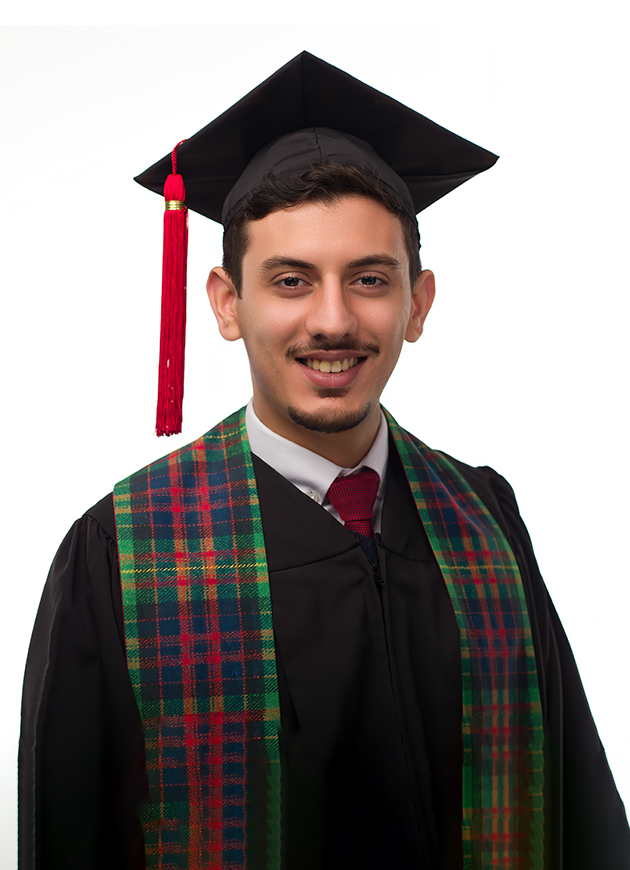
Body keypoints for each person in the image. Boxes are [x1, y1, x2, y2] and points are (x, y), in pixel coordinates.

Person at [19, 52, 629, 870]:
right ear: (228, 305)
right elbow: (68, 835)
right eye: (291, 281)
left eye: (370, 279)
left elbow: (578, 807)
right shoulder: (124, 551)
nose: (333, 320)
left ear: (417, 304)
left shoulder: (484, 518)